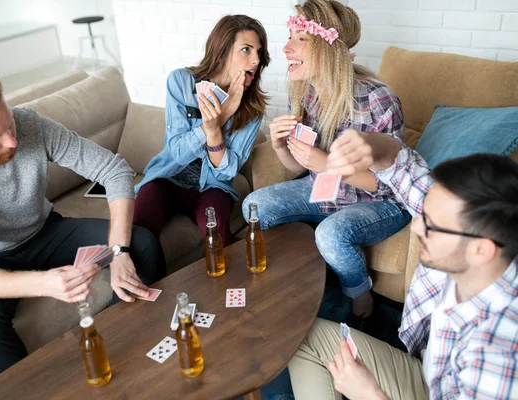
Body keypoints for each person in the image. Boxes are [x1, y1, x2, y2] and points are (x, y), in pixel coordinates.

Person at [0, 66, 166, 381]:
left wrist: (119, 251)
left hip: (46, 232)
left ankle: (128, 346)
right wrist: (46, 282)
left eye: (9, 124)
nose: (11, 142)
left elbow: (113, 170)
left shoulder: (27, 122)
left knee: (141, 243)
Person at [288, 129, 518, 399]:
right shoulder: (474, 239)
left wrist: (369, 393)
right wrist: (369, 146)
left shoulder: (496, 354)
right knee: (302, 337)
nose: (417, 227)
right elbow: (401, 165)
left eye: (430, 225)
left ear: (481, 251)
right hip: (430, 370)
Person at [242, 0, 410, 329]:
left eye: (299, 39)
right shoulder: (304, 94)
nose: (286, 47)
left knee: (331, 233)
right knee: (254, 207)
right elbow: (296, 169)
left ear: (327, 47)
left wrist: (328, 162)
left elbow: (389, 184)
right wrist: (280, 145)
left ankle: (360, 295)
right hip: (322, 188)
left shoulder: (378, 99)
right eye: (289, 36)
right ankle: (295, 287)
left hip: (379, 200)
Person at [133, 14, 270, 246]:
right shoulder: (181, 82)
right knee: (138, 234)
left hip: (212, 186)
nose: (256, 60)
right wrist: (221, 115)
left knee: (217, 238)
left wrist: (217, 127)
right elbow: (177, 152)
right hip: (167, 178)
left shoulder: (253, 110)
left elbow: (226, 173)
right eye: (246, 50)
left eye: (258, 52)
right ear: (223, 51)